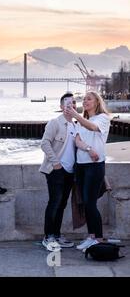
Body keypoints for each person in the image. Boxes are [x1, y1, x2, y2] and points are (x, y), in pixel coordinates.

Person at [66, 91, 111, 251]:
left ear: (97, 102)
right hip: (81, 165)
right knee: (85, 203)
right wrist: (89, 148)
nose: (85, 101)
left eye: (89, 99)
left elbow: (92, 127)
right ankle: (91, 237)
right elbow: (77, 141)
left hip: (95, 166)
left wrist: (76, 116)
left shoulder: (103, 118)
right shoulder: (82, 121)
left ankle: (98, 238)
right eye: (84, 99)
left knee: (91, 203)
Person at [39, 93, 77, 251]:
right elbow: (44, 143)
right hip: (56, 170)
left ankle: (57, 234)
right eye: (68, 104)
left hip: (70, 171)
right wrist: (55, 163)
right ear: (61, 107)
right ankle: (48, 237)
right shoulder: (55, 123)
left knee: (62, 204)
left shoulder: (76, 125)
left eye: (74, 103)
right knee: (54, 203)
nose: (72, 106)